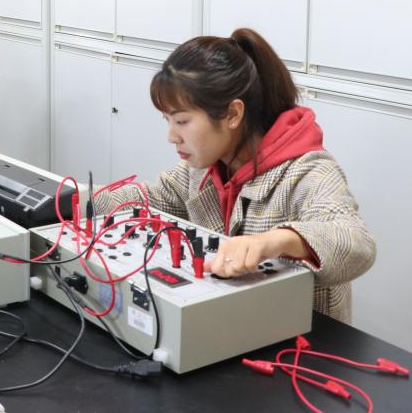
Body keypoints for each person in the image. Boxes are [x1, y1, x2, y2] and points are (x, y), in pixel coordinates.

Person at [98, 28, 375, 322]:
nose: (172, 136)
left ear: (232, 114)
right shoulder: (204, 168)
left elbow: (355, 242)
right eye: (167, 120)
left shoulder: (307, 171)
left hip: (299, 340)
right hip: (231, 325)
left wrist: (274, 241)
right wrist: (72, 196)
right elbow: (146, 198)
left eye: (181, 121)